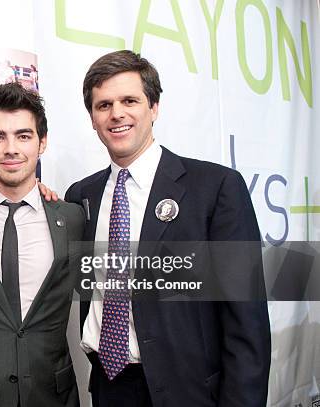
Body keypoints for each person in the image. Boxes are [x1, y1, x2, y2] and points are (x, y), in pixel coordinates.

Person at [65, 50, 270, 406]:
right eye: (104, 105)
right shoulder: (82, 196)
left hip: (186, 392)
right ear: (93, 118)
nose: (117, 114)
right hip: (108, 387)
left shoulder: (216, 188)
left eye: (130, 100)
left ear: (154, 107)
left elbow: (246, 322)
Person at [0, 82, 85, 407]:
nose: (11, 149)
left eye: (23, 136)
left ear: (42, 143)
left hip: (52, 394)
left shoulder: (73, 218)